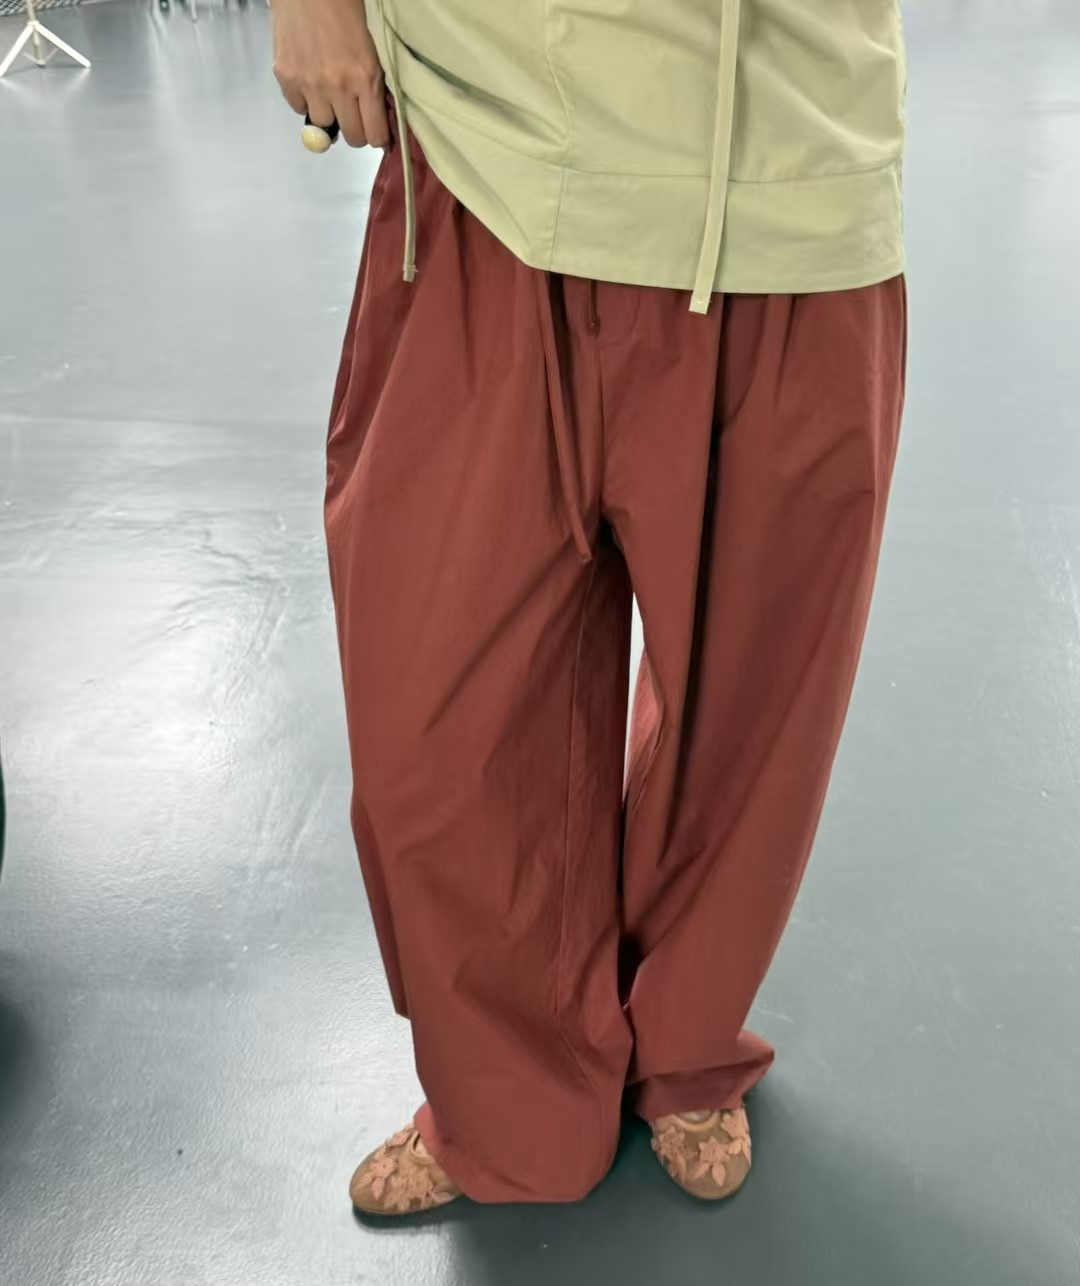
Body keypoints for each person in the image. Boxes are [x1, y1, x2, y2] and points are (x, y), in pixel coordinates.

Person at [271, 0, 908, 1214]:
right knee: (434, 722)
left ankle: (684, 1039)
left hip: (783, 171)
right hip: (482, 150)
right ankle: (509, 1104)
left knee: (744, 718)